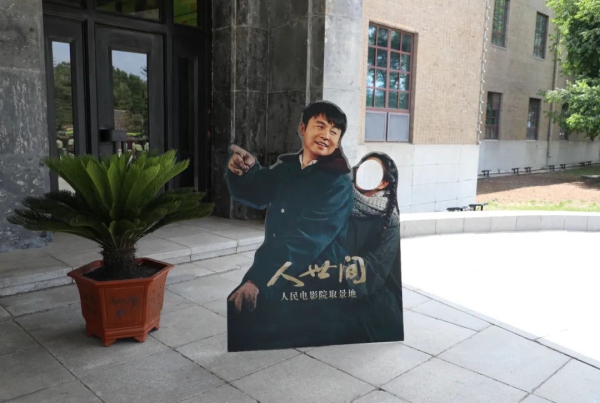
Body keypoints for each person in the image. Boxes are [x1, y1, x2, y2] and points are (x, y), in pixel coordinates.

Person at [225, 100, 355, 351]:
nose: (326, 136)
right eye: (320, 126)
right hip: (279, 266)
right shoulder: (288, 168)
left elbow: (306, 240)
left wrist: (258, 279)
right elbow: (257, 192)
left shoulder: (337, 183)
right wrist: (245, 171)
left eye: (334, 132)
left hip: (315, 277)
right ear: (302, 129)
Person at [347, 152, 404, 342]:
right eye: (362, 167)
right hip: (335, 293)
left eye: (373, 171)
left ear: (383, 183)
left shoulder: (390, 220)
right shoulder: (339, 202)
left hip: (373, 303)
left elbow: (376, 268)